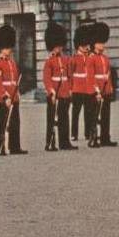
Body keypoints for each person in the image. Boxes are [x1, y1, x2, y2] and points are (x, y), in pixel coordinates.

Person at [0, 24, 27, 156]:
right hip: (3, 99)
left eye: (9, 47)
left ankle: (15, 146)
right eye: (6, 48)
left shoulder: (12, 63)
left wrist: (16, 94)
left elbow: (14, 80)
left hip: (14, 97)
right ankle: (0, 146)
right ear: (1, 48)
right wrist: (5, 97)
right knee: (2, 123)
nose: (9, 50)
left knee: (15, 123)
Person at [42, 21, 75, 151]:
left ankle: (64, 142)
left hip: (65, 92)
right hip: (54, 93)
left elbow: (69, 76)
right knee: (52, 119)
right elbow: (46, 78)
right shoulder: (49, 61)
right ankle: (50, 142)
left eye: (60, 45)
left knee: (64, 118)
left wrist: (71, 89)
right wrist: (51, 91)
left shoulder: (66, 59)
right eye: (56, 46)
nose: (59, 48)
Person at [87, 21, 117, 147]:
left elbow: (108, 75)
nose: (102, 45)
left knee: (105, 115)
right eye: (100, 43)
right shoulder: (91, 58)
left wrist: (109, 89)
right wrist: (97, 91)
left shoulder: (105, 58)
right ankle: (93, 138)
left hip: (106, 90)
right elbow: (90, 76)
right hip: (96, 91)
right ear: (94, 44)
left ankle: (105, 137)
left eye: (103, 42)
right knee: (94, 116)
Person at [69, 25, 93, 142]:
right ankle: (74, 134)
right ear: (79, 45)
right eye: (84, 45)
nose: (86, 47)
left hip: (88, 88)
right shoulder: (74, 58)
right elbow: (70, 74)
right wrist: (70, 88)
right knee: (75, 113)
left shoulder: (90, 57)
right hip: (77, 89)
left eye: (87, 45)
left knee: (88, 113)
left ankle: (88, 133)